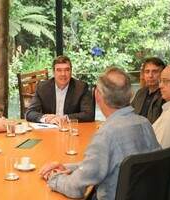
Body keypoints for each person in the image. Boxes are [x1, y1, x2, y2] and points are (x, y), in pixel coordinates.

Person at [39, 67, 160, 200]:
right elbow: (104, 164)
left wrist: (54, 177)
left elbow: (75, 189)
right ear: (131, 95)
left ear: (97, 95)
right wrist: (68, 167)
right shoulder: (144, 124)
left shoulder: (106, 135)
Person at [25, 55, 94, 124]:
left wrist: (65, 118)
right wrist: (46, 119)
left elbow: (88, 114)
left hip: (70, 129)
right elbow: (30, 113)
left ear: (71, 71)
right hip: (49, 130)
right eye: (59, 70)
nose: (63, 74)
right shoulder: (42, 88)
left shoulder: (81, 88)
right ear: (53, 72)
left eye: (67, 70)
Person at [131, 57, 166, 123]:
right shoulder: (140, 92)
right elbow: (130, 114)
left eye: (155, 71)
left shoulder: (165, 95)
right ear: (143, 74)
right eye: (147, 72)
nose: (150, 75)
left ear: (163, 74)